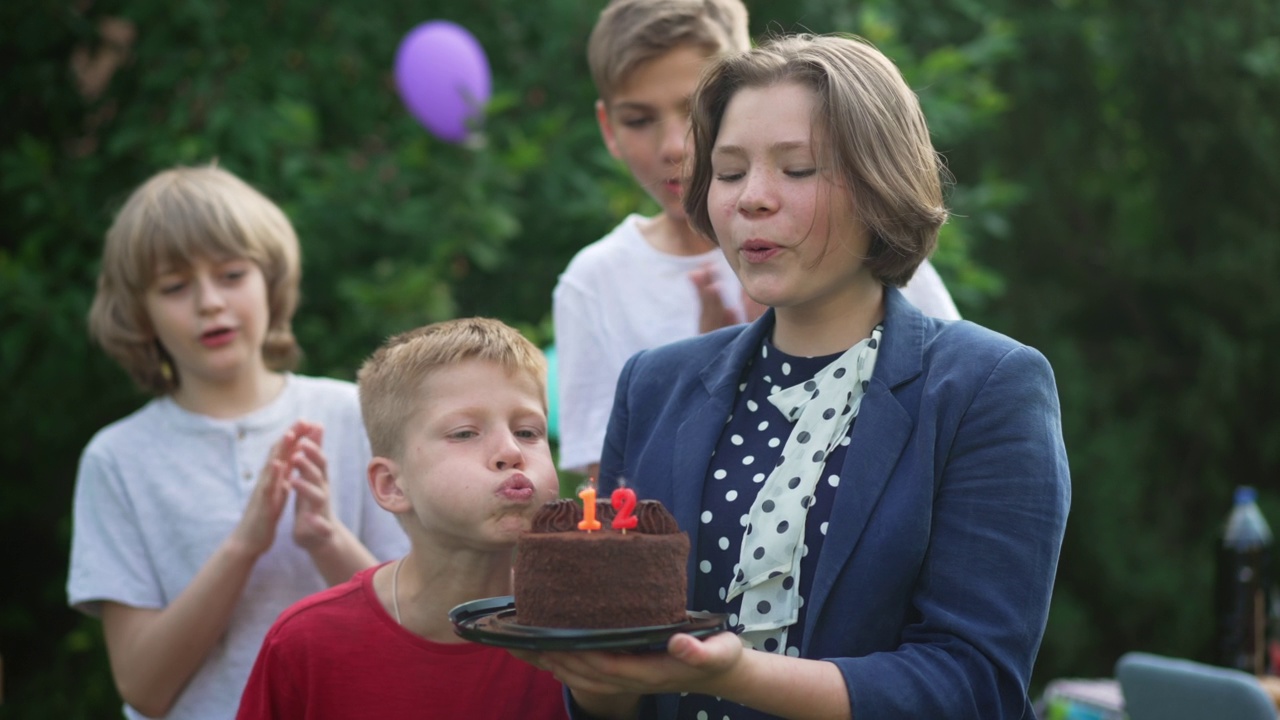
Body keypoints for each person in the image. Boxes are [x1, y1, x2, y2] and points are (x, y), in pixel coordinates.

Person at [530, 34, 1071, 719]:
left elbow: (973, 687)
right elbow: (616, 680)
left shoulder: (986, 388)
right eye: (728, 173)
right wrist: (598, 680)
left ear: (881, 183)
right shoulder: (655, 385)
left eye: (798, 169)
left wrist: (740, 674)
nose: (752, 199)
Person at [553, 0, 960, 483]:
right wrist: (711, 368)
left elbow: (946, 402)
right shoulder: (594, 282)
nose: (673, 147)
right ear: (608, 128)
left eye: (693, 111)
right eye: (639, 119)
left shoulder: (851, 254)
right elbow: (615, 495)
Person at [66, 164, 409, 720]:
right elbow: (143, 687)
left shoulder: (354, 413)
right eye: (175, 286)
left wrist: (324, 538)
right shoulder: (117, 458)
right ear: (140, 312)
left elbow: (418, 628)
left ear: (270, 281)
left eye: (231, 274)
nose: (208, 302)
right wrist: (244, 545)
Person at [236, 317, 569, 719]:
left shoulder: (578, 637)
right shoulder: (304, 644)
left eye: (529, 432)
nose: (511, 451)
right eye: (465, 433)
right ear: (391, 485)